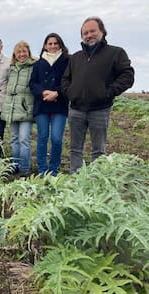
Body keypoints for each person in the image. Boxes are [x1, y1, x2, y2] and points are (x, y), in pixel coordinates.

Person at [62, 17, 134, 173]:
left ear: (102, 31)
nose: (89, 35)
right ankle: (75, 177)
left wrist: (108, 93)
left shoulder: (116, 53)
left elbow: (127, 75)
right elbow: (65, 79)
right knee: (75, 148)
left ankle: (96, 180)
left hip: (100, 110)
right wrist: (71, 93)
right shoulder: (76, 57)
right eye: (85, 33)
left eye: (92, 31)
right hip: (76, 110)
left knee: (98, 150)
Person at [29, 33, 69, 176]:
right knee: (42, 137)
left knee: (57, 139)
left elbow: (69, 82)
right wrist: (43, 92)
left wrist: (56, 93)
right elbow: (32, 83)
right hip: (42, 104)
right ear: (45, 46)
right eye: (50, 43)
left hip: (60, 104)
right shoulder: (38, 63)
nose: (52, 46)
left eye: (55, 43)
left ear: (60, 44)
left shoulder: (67, 61)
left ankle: (53, 170)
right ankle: (42, 169)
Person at [1, 41, 36, 176]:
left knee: (24, 139)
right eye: (19, 52)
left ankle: (25, 168)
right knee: (14, 139)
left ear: (28, 53)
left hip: (26, 108)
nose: (22, 55)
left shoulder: (33, 67)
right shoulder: (11, 69)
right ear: (15, 54)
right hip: (12, 108)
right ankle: (14, 165)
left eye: (24, 52)